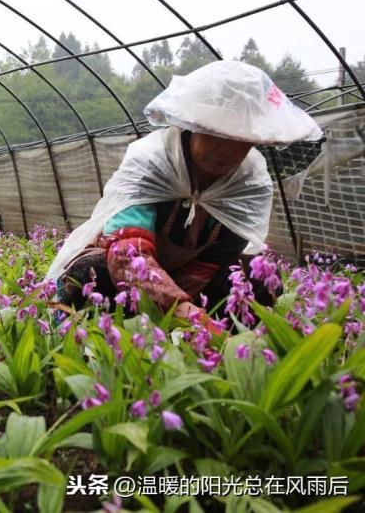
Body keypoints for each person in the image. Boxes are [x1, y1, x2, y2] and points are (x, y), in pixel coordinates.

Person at [46, 61, 322, 331]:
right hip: (124, 276)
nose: (225, 150)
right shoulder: (153, 161)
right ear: (193, 125)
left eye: (240, 139)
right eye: (215, 134)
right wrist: (187, 316)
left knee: (257, 279)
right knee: (90, 275)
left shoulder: (249, 182)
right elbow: (128, 256)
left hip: (190, 280)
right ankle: (92, 342)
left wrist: (182, 312)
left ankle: (232, 350)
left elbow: (214, 262)